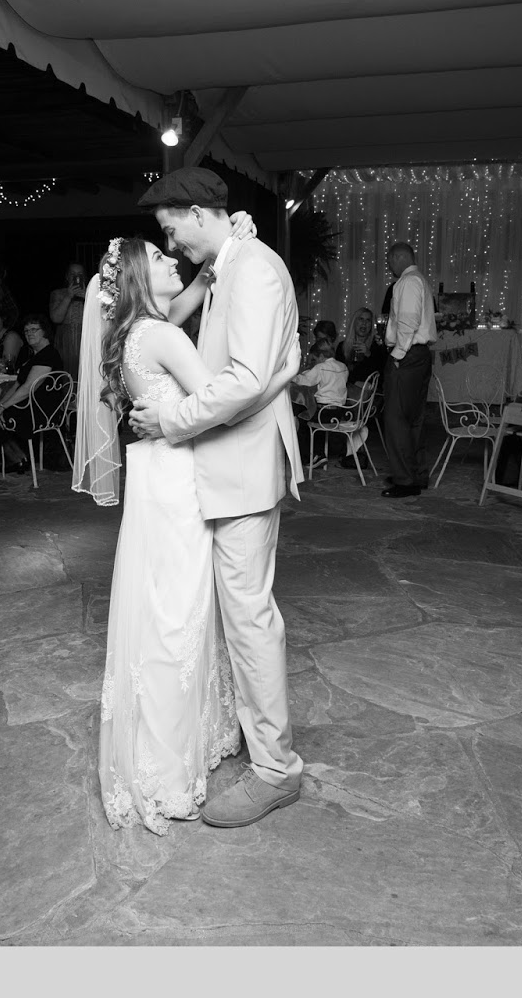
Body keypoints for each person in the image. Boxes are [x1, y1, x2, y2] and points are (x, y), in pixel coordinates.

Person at [123, 167, 306, 830]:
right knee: (239, 617)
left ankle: (275, 772)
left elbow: (247, 378)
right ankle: (261, 749)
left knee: (250, 620)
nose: (170, 242)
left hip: (244, 466)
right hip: (232, 464)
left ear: (198, 212)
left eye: (170, 227)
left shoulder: (253, 268)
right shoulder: (234, 264)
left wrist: (170, 421)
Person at [75, 233, 234, 833]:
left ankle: (165, 748)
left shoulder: (135, 333)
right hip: (176, 480)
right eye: (164, 259)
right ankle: (168, 770)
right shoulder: (163, 335)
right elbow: (218, 399)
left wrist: (213, 266)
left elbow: (187, 296)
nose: (177, 261)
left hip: (151, 479)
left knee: (160, 608)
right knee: (180, 615)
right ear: (143, 277)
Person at [381, 241, 437, 498]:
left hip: (408, 355)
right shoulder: (420, 280)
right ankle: (414, 475)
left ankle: (405, 480)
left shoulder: (408, 282)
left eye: (389, 260)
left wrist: (398, 354)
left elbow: (408, 321)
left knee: (396, 418)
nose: (389, 265)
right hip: (419, 355)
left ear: (398, 258)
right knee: (414, 418)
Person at [0, 316, 65, 474]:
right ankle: (20, 458)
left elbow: (28, 388)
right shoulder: (35, 356)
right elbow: (17, 385)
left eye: (34, 329)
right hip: (33, 407)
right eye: (26, 331)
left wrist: (0, 408)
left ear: (45, 332)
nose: (29, 333)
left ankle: (18, 459)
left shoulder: (48, 355)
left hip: (41, 412)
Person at [50, 262, 89, 376]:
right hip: (65, 343)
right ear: (67, 277)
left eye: (80, 274)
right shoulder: (58, 293)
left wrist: (87, 297)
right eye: (73, 274)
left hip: (86, 341)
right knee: (64, 379)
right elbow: (56, 318)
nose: (76, 277)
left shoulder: (93, 294)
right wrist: (69, 296)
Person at [341, 306, 387, 384]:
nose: (364, 323)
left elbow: (381, 373)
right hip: (346, 390)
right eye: (361, 319)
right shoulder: (342, 346)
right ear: (354, 322)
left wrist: (368, 354)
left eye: (368, 320)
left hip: (368, 391)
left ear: (371, 325)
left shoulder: (377, 346)